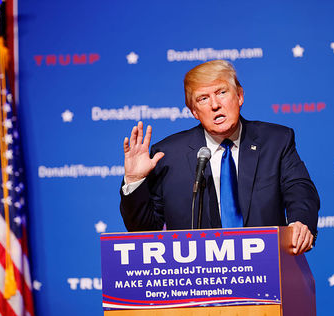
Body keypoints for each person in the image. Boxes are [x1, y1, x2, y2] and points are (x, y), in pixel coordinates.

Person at [120, 60, 320, 255]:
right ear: (194, 112)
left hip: (266, 268)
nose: (215, 105)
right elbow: (143, 233)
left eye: (221, 92)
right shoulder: (168, 155)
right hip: (198, 278)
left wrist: (299, 223)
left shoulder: (276, 141)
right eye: (203, 99)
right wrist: (135, 181)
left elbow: (299, 189)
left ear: (240, 96)